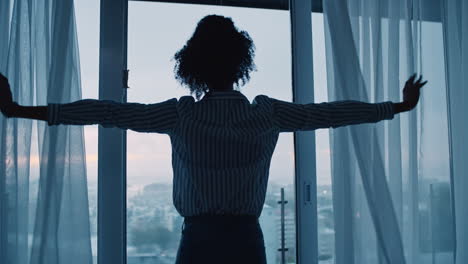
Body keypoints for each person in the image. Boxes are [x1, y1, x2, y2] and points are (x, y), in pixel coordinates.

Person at [0, 15, 426, 264]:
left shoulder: (181, 115)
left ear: (192, 66)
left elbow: (107, 111)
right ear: (242, 63)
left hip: (198, 240)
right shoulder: (268, 113)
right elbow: (330, 113)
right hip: (247, 240)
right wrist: (396, 107)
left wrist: (21, 110)